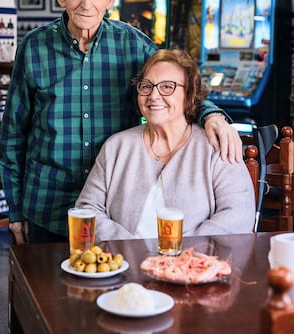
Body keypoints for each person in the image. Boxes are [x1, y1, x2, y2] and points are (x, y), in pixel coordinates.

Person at [0, 0, 242, 245]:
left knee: (106, 290)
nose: (87, 3)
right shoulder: (34, 47)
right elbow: (13, 136)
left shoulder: (132, 44)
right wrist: (15, 211)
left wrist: (212, 115)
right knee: (43, 291)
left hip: (111, 213)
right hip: (47, 207)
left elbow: (174, 85)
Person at [75, 49, 255, 241]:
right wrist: (129, 250)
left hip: (195, 266)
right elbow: (86, 209)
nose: (154, 96)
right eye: (147, 86)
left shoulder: (215, 145)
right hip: (123, 265)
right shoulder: (116, 147)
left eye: (167, 87)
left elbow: (239, 215)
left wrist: (181, 256)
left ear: (188, 95)